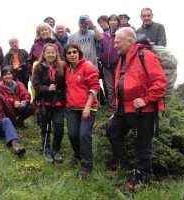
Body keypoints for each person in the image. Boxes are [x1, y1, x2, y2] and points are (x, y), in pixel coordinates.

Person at [107, 27, 167, 190]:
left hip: (143, 110)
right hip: (124, 108)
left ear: (130, 41)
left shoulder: (146, 55)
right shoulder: (123, 58)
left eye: (118, 42)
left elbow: (160, 83)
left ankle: (143, 178)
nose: (115, 45)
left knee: (142, 144)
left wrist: (146, 99)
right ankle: (124, 167)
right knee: (113, 131)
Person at [64, 43, 100, 179]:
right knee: (73, 135)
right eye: (69, 53)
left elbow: (95, 88)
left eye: (74, 52)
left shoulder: (88, 67)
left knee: (84, 135)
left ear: (79, 53)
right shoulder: (67, 68)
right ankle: (78, 155)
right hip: (72, 108)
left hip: (88, 108)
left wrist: (87, 107)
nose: (72, 54)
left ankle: (86, 166)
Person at [32, 44, 66, 163]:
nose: (51, 54)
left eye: (53, 52)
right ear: (44, 54)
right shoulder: (39, 68)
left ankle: (56, 150)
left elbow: (66, 84)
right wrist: (47, 89)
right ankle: (46, 149)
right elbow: (36, 85)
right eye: (48, 52)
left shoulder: (62, 67)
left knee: (59, 128)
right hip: (44, 103)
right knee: (46, 128)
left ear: (56, 54)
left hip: (58, 103)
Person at [100, 14, 121, 116]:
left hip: (118, 64)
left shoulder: (121, 33)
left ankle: (120, 107)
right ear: (108, 22)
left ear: (118, 22)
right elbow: (101, 48)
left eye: (115, 20)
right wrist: (99, 57)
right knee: (110, 88)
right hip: (106, 66)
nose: (113, 22)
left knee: (119, 86)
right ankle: (113, 109)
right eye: (111, 20)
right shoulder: (104, 35)